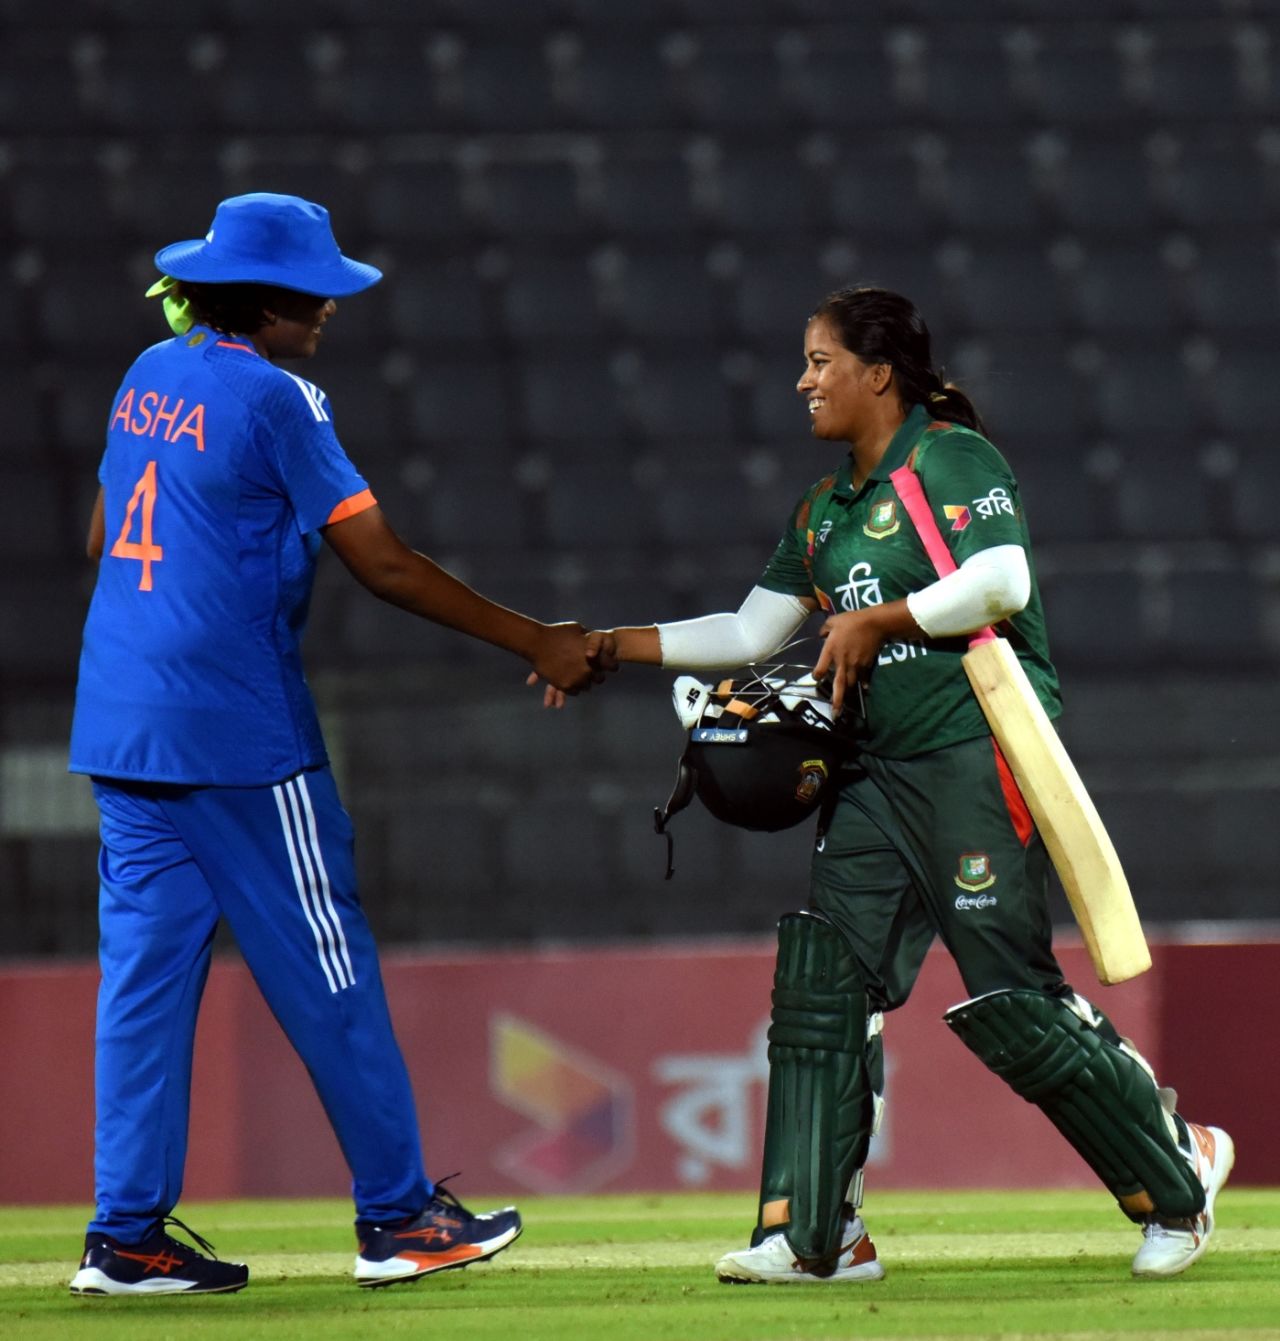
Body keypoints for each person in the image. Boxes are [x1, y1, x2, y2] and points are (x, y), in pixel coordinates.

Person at [590, 286, 1232, 1284]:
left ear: (876, 372)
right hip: (871, 774)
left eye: (817, 361)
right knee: (824, 989)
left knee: (1012, 998)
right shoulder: (824, 508)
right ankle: (812, 1236)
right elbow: (745, 634)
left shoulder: (948, 459)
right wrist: (600, 646)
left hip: (971, 756)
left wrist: (877, 620)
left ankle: (1176, 1176)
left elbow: (1002, 581)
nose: (801, 381)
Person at [67, 192, 613, 1296]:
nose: (327, 306)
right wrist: (538, 639)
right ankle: (401, 1218)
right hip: (238, 735)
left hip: (121, 724)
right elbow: (386, 564)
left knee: (141, 985)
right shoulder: (279, 399)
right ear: (264, 301)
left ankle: (124, 1237)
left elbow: (100, 537)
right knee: (331, 970)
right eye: (311, 291)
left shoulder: (147, 374)